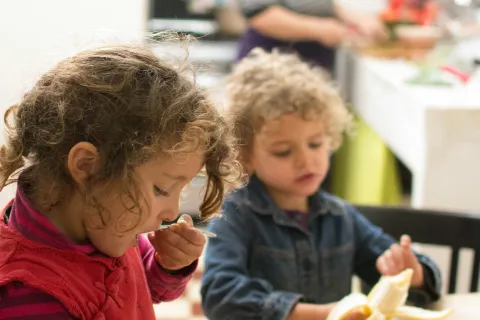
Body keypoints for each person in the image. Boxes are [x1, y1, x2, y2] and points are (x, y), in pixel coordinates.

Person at [0, 43, 239, 319]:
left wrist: (168, 264)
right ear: (87, 165)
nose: (173, 213)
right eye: (161, 189)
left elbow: (149, 286)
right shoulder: (28, 296)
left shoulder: (109, 222)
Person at [200, 49, 441, 320]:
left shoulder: (341, 217)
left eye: (315, 144)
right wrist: (324, 314)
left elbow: (413, 286)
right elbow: (220, 297)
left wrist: (413, 273)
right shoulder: (235, 216)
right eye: (283, 151)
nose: (306, 161)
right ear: (246, 156)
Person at [235, 0, 388, 70]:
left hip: (313, 60)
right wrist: (319, 29)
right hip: (271, 59)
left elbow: (321, 4)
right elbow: (259, 14)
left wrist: (356, 18)